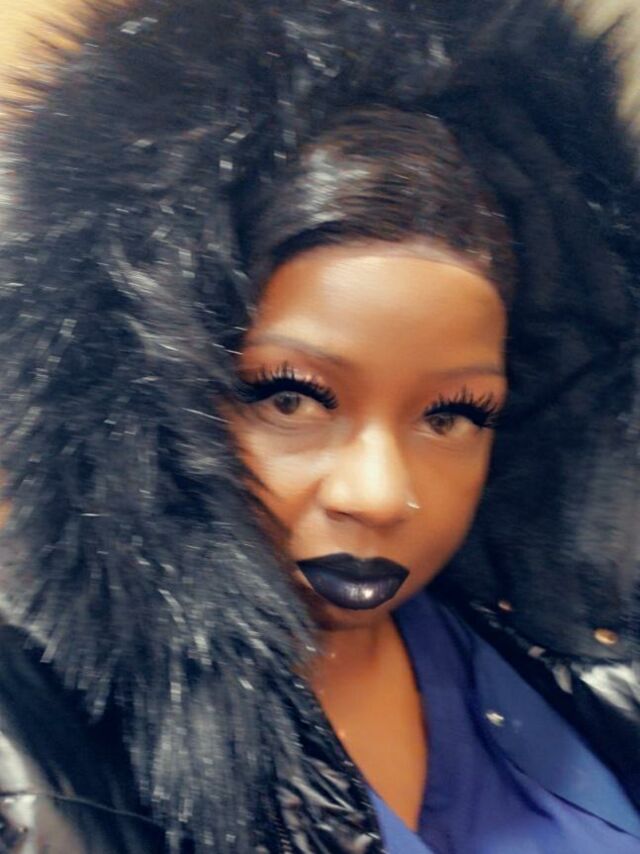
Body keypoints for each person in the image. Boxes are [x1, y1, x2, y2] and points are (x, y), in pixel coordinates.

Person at [0, 0, 637, 852]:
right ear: (144, 402)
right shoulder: (28, 751)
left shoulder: (567, 655)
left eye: (453, 414)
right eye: (291, 398)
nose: (382, 496)